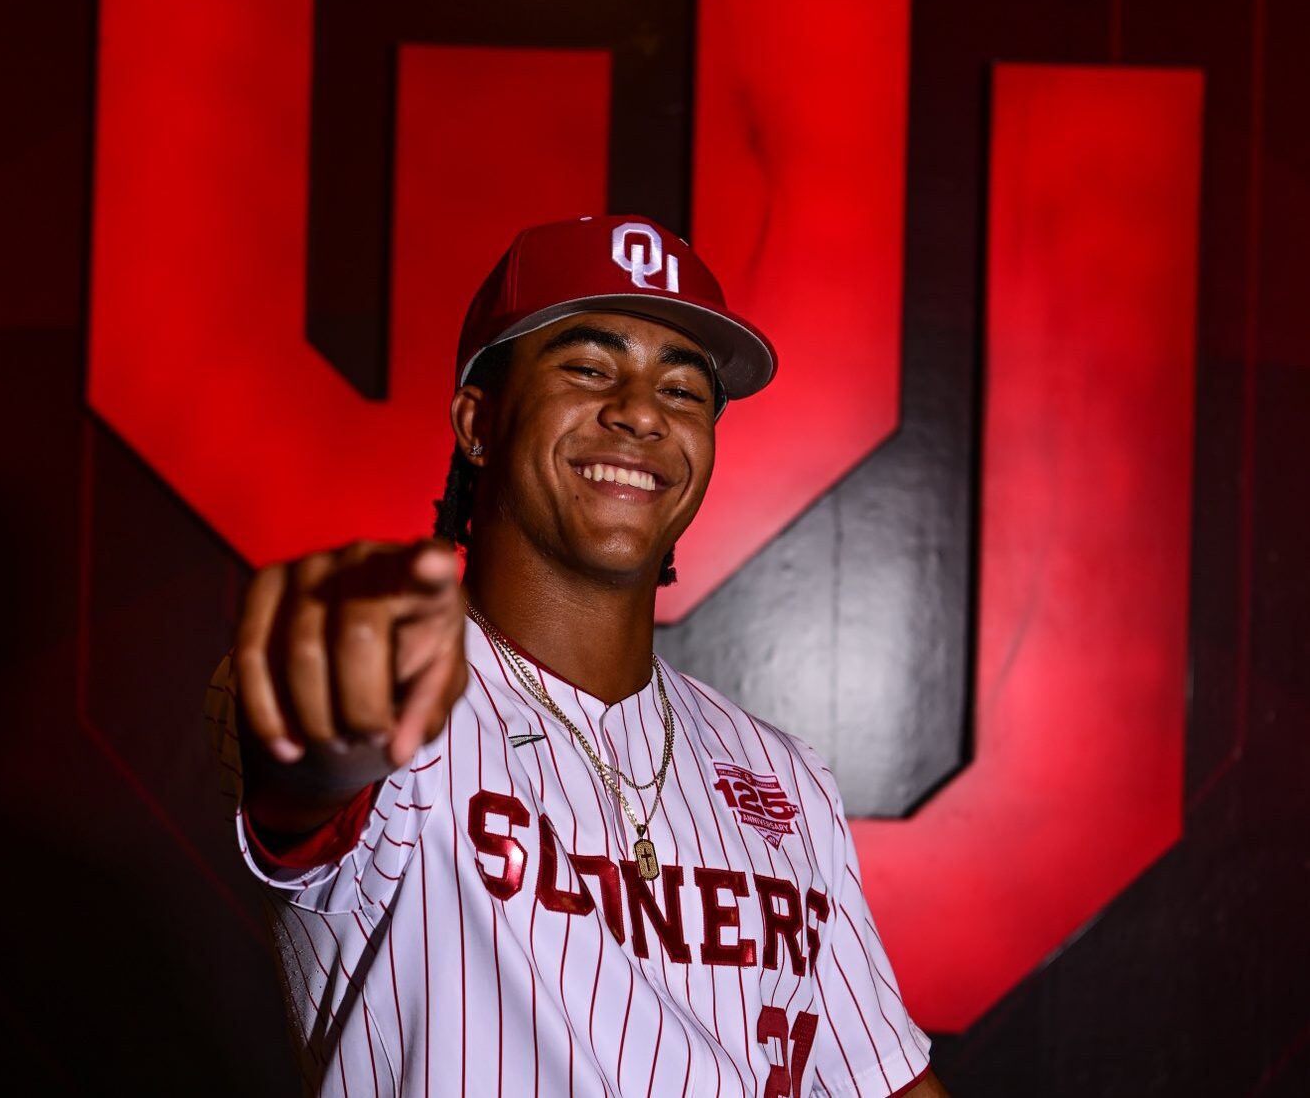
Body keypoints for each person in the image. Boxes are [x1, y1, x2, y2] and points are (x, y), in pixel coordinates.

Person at [205, 215, 948, 1096]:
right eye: (589, 367)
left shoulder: (783, 776)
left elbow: (881, 1083)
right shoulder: (394, 697)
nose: (639, 412)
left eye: (682, 390)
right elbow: (309, 784)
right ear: (478, 421)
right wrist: (319, 732)